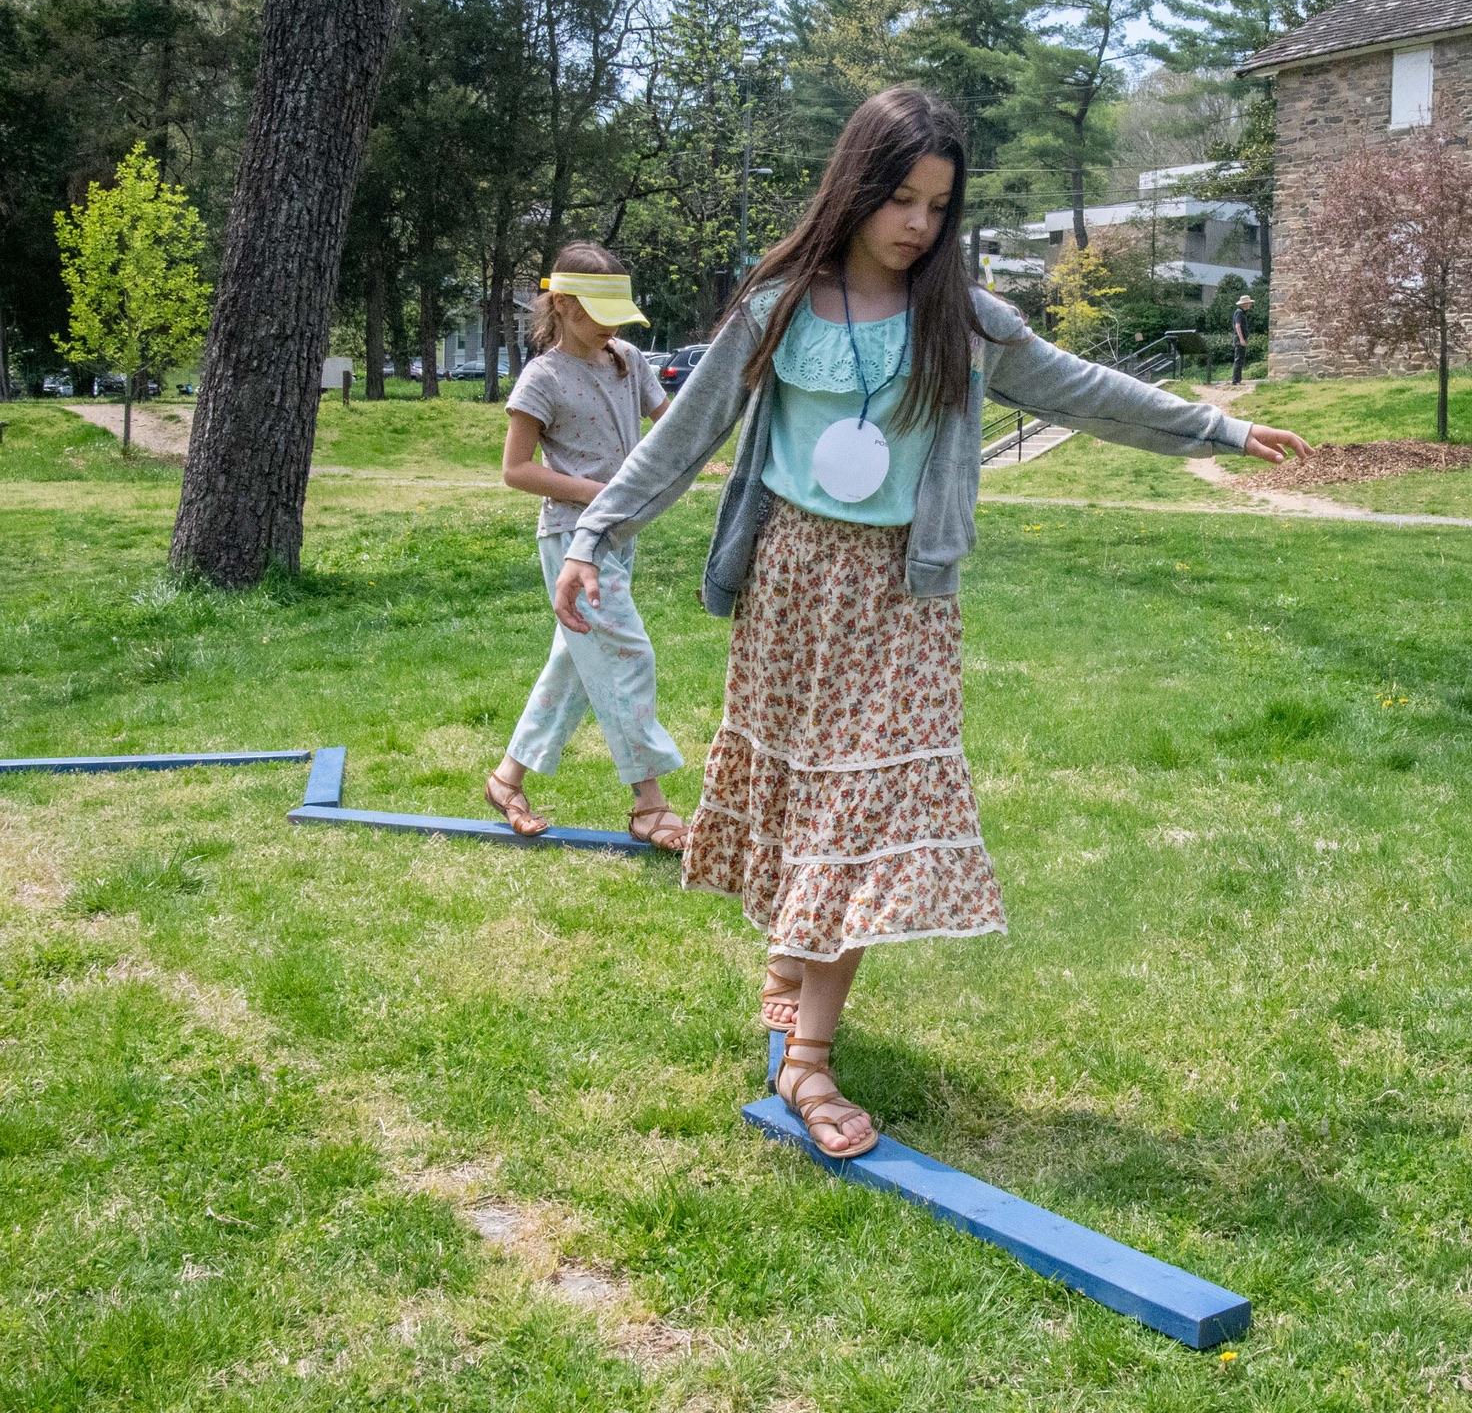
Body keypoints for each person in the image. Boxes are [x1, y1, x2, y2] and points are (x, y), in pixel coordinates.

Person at [550, 88, 1309, 1158]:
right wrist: (596, 536)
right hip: (792, 587)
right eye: (899, 198)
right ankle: (791, 961)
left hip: (901, 596)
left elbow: (1084, 392)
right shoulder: (776, 305)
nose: (917, 224)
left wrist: (1216, 427)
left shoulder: (962, 319)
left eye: (938, 206)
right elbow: (683, 433)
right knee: (806, 797)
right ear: (854, 189)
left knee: (863, 814)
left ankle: (808, 1059)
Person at [483, 241, 690, 852]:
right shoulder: (541, 377)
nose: (614, 325)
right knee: (627, 655)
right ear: (565, 305)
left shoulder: (627, 358)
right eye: (601, 311)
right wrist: (600, 491)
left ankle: (506, 779)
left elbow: (671, 423)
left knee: (575, 665)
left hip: (620, 536)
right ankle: (649, 805)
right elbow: (516, 471)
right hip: (572, 538)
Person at [1231, 294, 1255, 386]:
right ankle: (1236, 380)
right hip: (1239, 339)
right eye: (1248, 303)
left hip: (1241, 339)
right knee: (1238, 359)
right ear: (1244, 304)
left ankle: (1238, 380)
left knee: (1240, 359)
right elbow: (1237, 326)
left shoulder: (1241, 312)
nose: (1250, 305)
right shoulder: (1239, 312)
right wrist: (1241, 339)